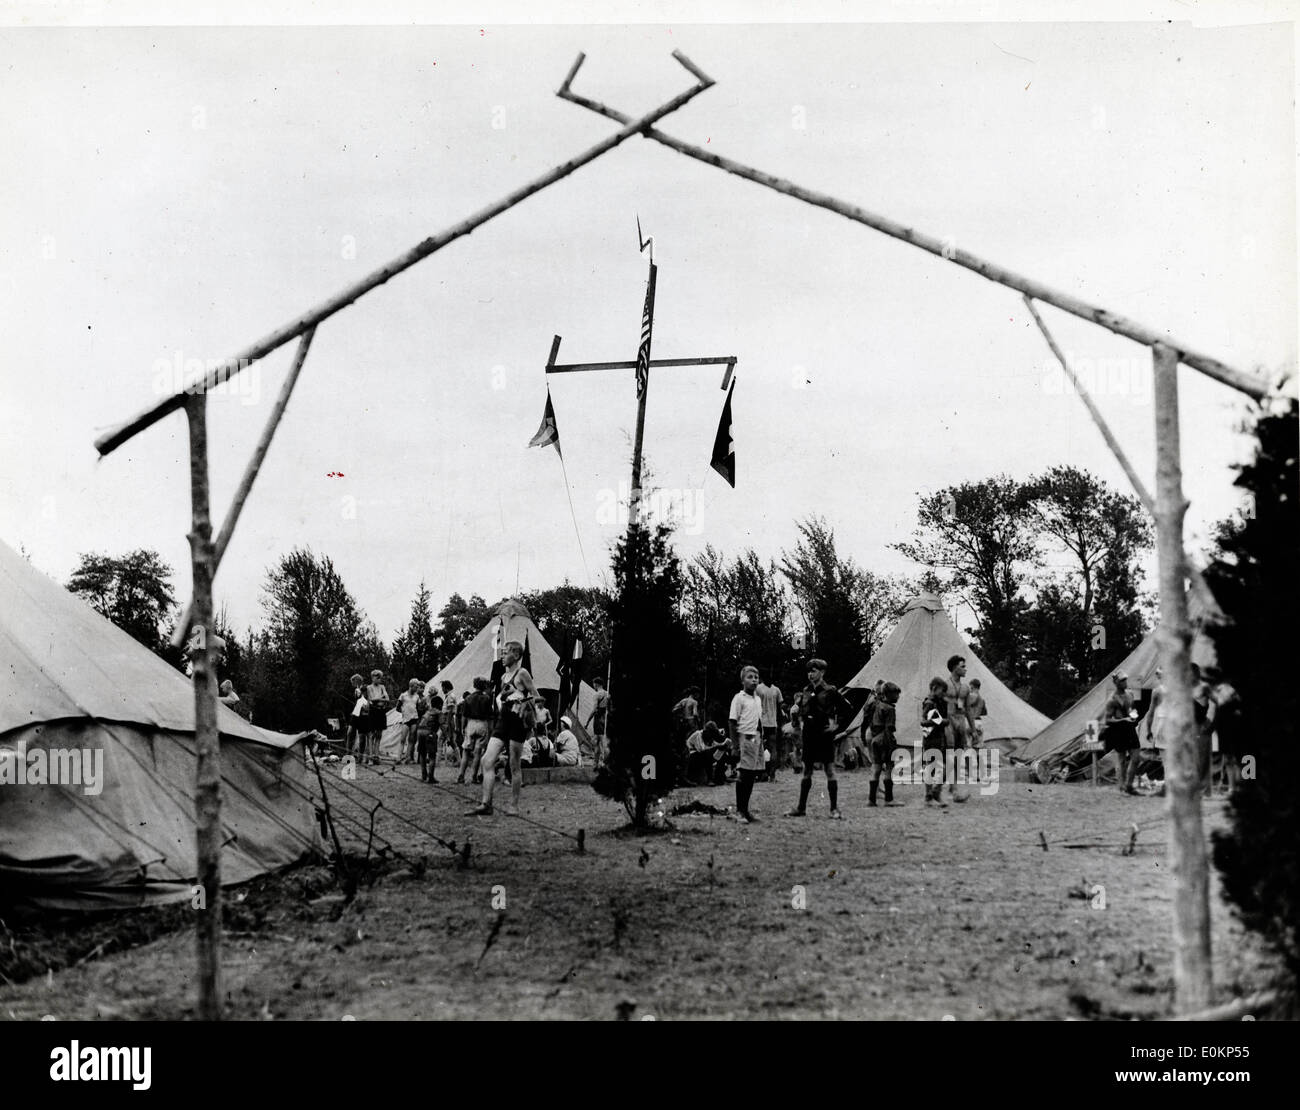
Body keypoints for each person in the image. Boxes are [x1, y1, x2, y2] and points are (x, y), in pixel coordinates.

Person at [471, 641, 538, 816]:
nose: (502, 655)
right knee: (487, 760)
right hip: (503, 720)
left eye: (505, 652)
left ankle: (514, 806)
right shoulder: (503, 677)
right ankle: (486, 804)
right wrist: (505, 697)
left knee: (514, 765)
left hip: (517, 721)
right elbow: (502, 698)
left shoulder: (522, 673)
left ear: (515, 655)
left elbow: (537, 698)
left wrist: (520, 700)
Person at [786, 658, 852, 820]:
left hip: (824, 735)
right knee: (806, 771)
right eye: (808, 671)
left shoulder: (830, 690)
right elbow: (803, 711)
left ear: (822, 672)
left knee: (829, 770)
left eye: (814, 671)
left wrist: (836, 725)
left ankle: (834, 809)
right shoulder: (806, 691)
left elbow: (847, 708)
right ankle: (801, 808)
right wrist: (796, 715)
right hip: (809, 735)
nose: (810, 674)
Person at [729, 666, 765, 824]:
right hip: (745, 737)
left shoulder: (757, 699)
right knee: (743, 775)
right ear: (742, 680)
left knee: (751, 776)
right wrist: (735, 746)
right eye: (750, 677)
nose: (754, 680)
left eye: (756, 677)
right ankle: (739, 811)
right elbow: (732, 722)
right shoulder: (739, 698)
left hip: (756, 738)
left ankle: (746, 810)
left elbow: (758, 720)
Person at [1099, 672, 1140, 795]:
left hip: (1130, 729)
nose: (1125, 683)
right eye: (1122, 681)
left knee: (1136, 757)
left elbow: (1131, 709)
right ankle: (1121, 787)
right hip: (1118, 730)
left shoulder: (1130, 694)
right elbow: (1107, 719)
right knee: (1121, 760)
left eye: (1126, 680)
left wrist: (1134, 715)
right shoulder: (1112, 700)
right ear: (1116, 683)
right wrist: (1123, 720)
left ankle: (1129, 785)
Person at [867, 681, 901, 807]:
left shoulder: (877, 705)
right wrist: (891, 744)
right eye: (896, 695)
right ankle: (889, 799)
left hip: (875, 738)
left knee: (876, 769)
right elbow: (890, 727)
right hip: (885, 739)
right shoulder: (890, 709)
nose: (898, 697)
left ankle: (871, 799)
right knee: (889, 768)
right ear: (890, 694)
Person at [944, 655, 972, 802]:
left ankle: (952, 788)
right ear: (955, 667)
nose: (965, 669)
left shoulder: (966, 688)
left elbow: (968, 709)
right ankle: (950, 788)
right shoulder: (945, 685)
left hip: (960, 722)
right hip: (948, 722)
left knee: (958, 755)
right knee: (948, 756)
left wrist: (972, 728)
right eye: (962, 666)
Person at [457, 677, 495, 785]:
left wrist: (462, 728)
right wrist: (491, 730)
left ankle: (461, 775)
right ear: (484, 686)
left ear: (474, 685)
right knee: (478, 753)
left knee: (466, 751)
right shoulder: (487, 698)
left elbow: (464, 716)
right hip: (482, 724)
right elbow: (490, 717)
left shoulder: (468, 698)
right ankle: (473, 776)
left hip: (471, 723)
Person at [921, 677, 950, 807]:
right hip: (930, 739)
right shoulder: (929, 703)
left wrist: (942, 720)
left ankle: (935, 791)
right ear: (934, 688)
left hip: (939, 738)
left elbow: (946, 719)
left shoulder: (940, 702)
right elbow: (923, 722)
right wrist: (939, 721)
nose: (943, 694)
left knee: (946, 766)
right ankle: (930, 796)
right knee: (931, 767)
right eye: (941, 691)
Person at [755, 677, 785, 781]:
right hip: (772, 723)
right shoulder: (776, 690)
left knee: (760, 749)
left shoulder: (758, 688)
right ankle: (771, 776)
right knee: (773, 749)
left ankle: (762, 774)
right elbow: (780, 708)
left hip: (761, 723)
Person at [685, 721, 729, 786]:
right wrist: (716, 747)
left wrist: (722, 746)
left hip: (702, 755)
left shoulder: (710, 737)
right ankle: (709, 779)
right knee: (707, 754)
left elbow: (714, 745)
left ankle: (719, 777)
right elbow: (701, 749)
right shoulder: (698, 734)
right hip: (692, 756)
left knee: (722, 752)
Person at [362, 669, 391, 765]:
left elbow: (387, 699)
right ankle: (370, 757)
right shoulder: (369, 687)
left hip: (381, 711)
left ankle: (376, 756)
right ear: (372, 677)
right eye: (376, 677)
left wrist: (380, 699)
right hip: (373, 711)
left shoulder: (382, 687)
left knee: (379, 734)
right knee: (371, 735)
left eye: (379, 677)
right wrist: (380, 698)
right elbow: (371, 699)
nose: (378, 679)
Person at [397, 679, 424, 764]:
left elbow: (419, 708)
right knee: (402, 739)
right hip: (406, 720)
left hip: (414, 719)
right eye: (416, 687)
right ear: (411, 686)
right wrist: (404, 712)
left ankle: (408, 757)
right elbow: (397, 707)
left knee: (411, 739)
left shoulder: (417, 697)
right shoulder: (403, 695)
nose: (416, 689)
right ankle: (399, 757)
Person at [417, 694, 442, 782]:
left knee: (422, 754)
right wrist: (447, 736)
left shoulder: (427, 712)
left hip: (420, 732)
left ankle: (424, 776)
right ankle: (430, 777)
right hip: (429, 733)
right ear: (439, 705)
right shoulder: (438, 712)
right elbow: (443, 725)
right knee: (432, 756)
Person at [587, 677, 611, 765]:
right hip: (605, 718)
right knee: (604, 739)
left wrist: (588, 721)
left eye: (594, 684)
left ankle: (596, 762)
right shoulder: (607, 694)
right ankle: (605, 760)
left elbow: (594, 710)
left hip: (598, 718)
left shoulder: (597, 695)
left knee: (597, 741)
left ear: (596, 684)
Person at [345, 673, 367, 759]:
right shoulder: (356, 690)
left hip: (363, 715)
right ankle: (348, 754)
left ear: (356, 681)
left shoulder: (365, 688)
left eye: (352, 682)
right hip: (355, 714)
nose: (352, 684)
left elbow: (366, 700)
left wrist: (360, 693)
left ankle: (360, 756)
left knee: (362, 736)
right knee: (349, 733)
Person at [967, 679, 988, 748]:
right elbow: (984, 712)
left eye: (970, 688)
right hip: (979, 723)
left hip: (971, 723)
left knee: (967, 745)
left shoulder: (971, 696)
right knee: (978, 747)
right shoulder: (982, 700)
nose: (970, 689)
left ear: (972, 687)